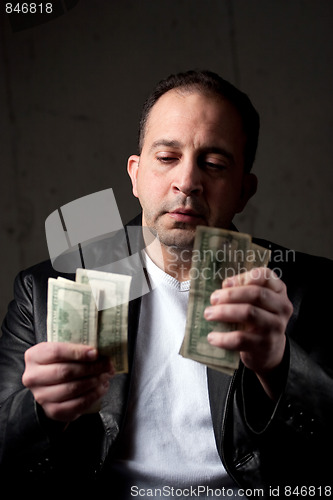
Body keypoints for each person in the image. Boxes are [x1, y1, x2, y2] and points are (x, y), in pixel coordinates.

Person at [0, 70, 332, 499]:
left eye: (213, 164)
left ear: (244, 191)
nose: (188, 182)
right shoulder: (46, 289)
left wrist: (278, 366)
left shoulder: (307, 288)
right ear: (135, 175)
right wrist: (41, 412)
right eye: (167, 157)